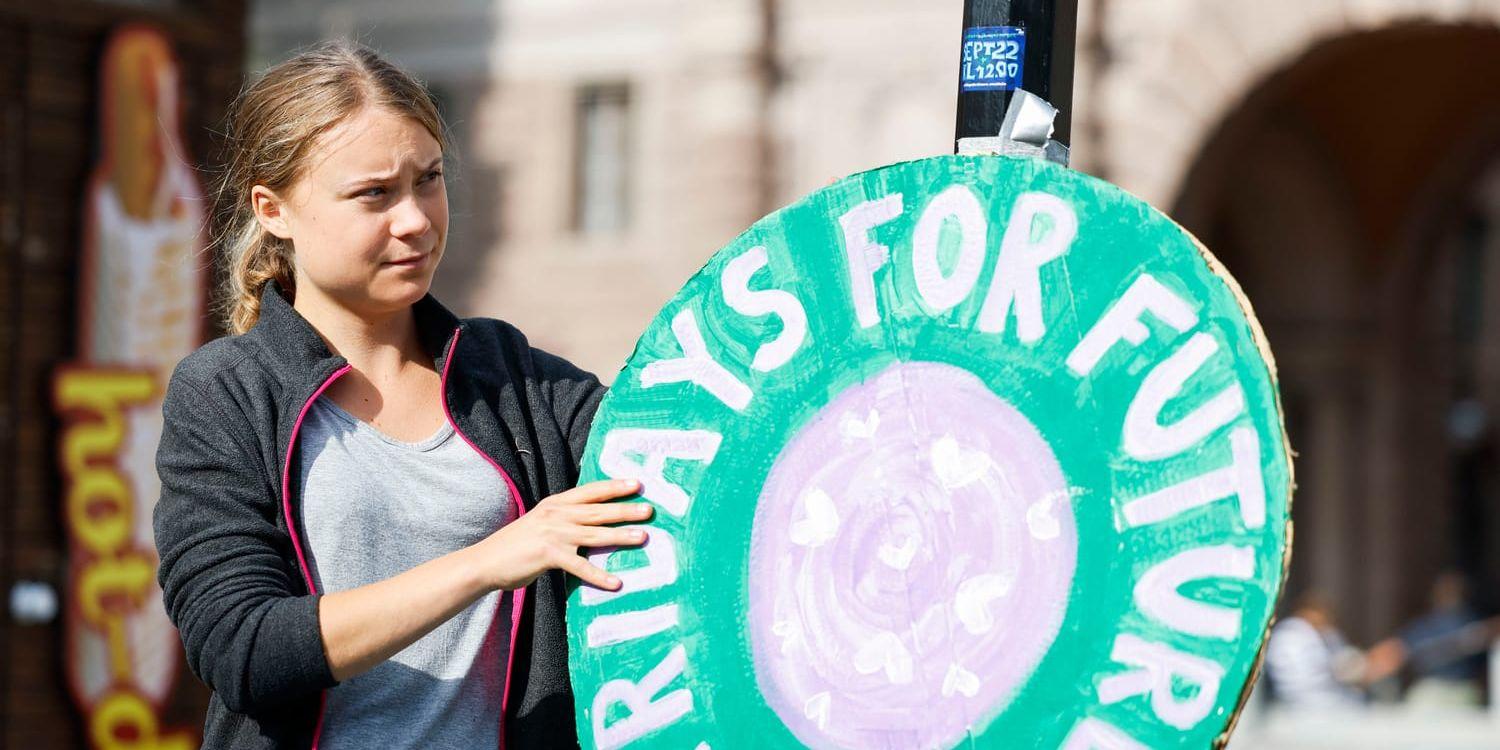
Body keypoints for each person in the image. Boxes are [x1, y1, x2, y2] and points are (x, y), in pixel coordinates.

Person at [152, 41, 650, 749]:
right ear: (274, 208)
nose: (415, 219)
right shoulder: (225, 395)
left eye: (429, 179)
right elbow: (244, 649)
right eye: (373, 194)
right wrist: (489, 560)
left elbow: (674, 447)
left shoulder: (510, 376)